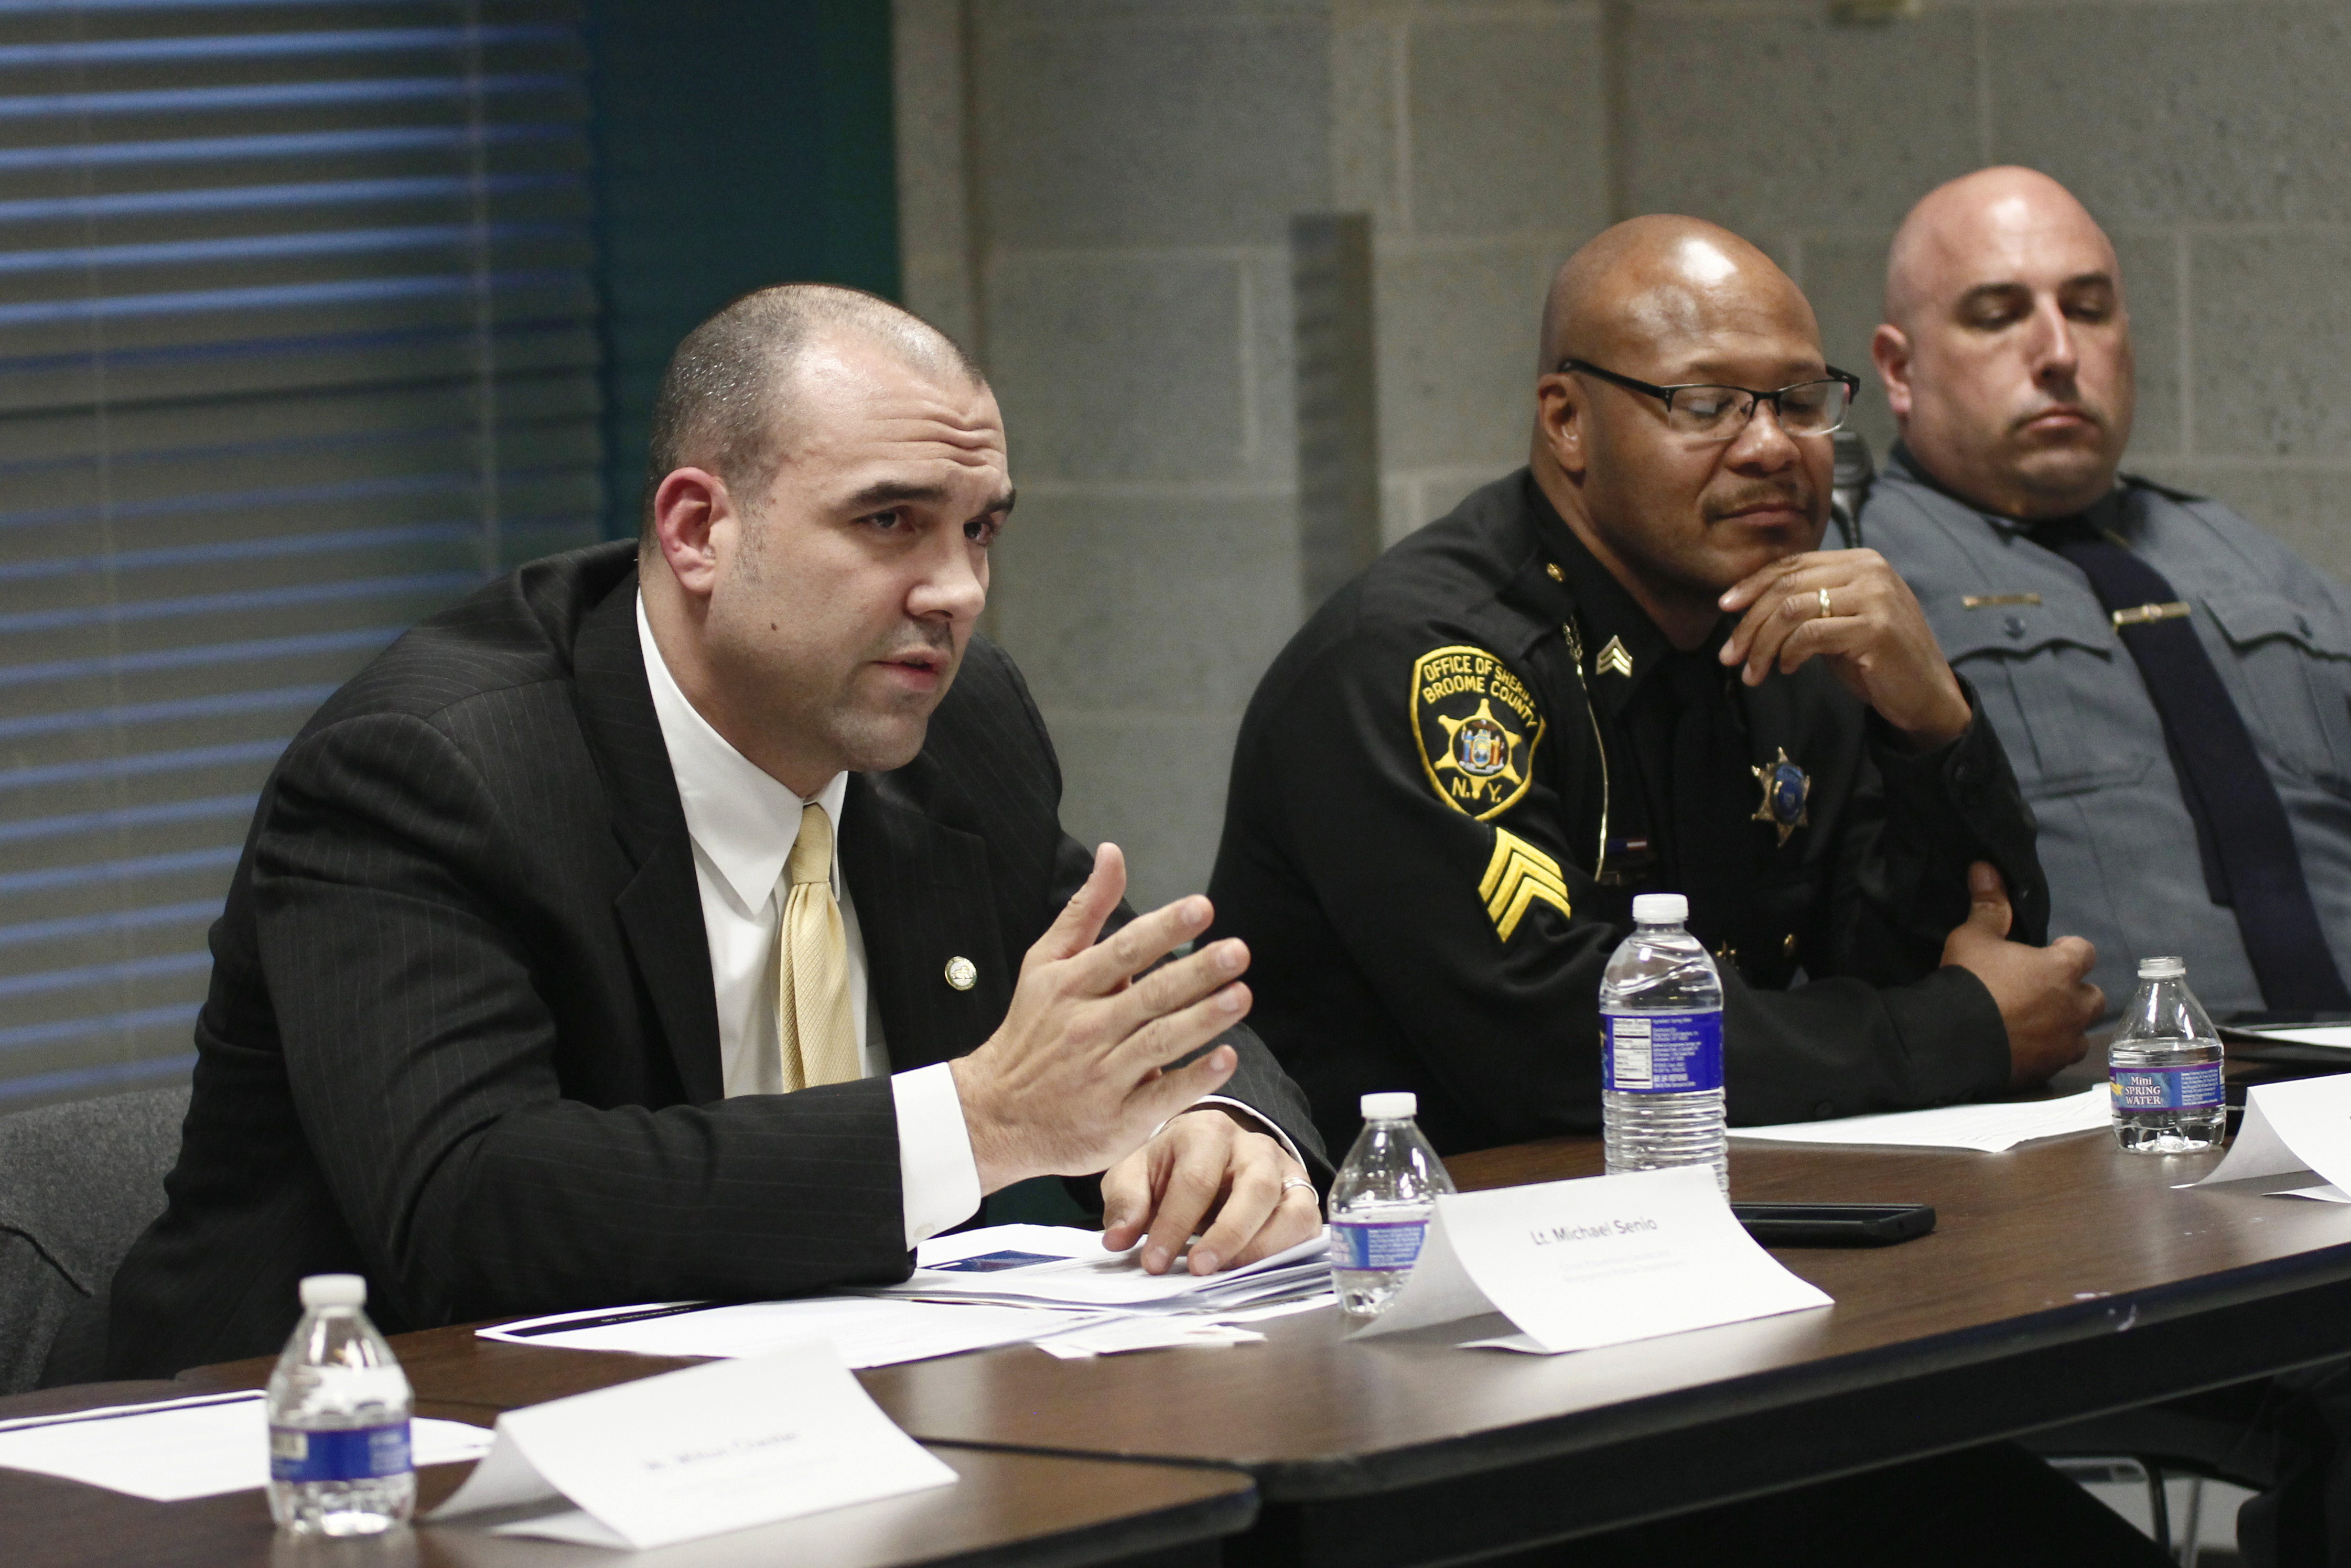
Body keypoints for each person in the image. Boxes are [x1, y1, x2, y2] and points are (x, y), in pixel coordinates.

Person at [102, 285, 1324, 1379]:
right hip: (322, 1447)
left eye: (979, 530)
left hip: (818, 1417)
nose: (955, 589)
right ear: (696, 529)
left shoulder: (956, 723)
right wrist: (980, 1121)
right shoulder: (432, 768)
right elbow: (467, 1204)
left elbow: (1122, 1010)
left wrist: (1212, 1124)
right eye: (890, 521)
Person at [1207, 214, 2103, 1162]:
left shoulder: (1795, 633)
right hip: (1418, 1225)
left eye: (1800, 402)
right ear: (1568, 422)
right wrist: (1949, 1034)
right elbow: (1559, 1049)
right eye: (1708, 405)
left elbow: (1973, 966)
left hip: (1717, 1198)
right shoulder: (1425, 663)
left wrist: (1933, 728)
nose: (1772, 447)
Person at [1860, 165, 2351, 1021]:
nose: (2059, 353)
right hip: (2097, 1086)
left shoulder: (2254, 560)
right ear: (1900, 370)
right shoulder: (1862, 578)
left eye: (2088, 309)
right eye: (1998, 317)